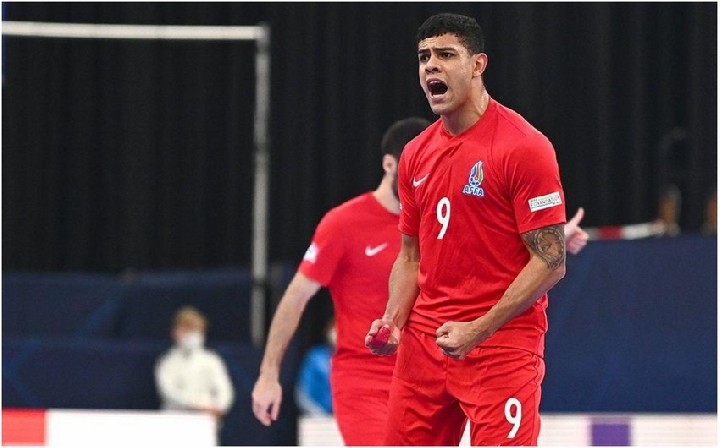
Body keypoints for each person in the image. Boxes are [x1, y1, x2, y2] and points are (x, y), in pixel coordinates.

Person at [365, 13, 569, 446]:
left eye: (445, 54)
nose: (430, 66)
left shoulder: (524, 147)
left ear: (478, 64)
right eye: (424, 57)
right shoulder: (415, 154)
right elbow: (410, 256)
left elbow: (551, 260)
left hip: (501, 343)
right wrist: (393, 320)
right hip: (424, 344)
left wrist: (479, 329)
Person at [251, 117, 431, 445]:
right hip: (364, 381)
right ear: (389, 165)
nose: (421, 183)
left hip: (424, 380)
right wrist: (268, 373)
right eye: (414, 172)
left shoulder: (435, 224)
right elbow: (295, 298)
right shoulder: (344, 224)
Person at [155, 306, 234, 423]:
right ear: (175, 333)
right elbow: (168, 392)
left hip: (206, 419)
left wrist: (218, 407)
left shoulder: (212, 360)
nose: (191, 335)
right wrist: (197, 405)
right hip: (175, 419)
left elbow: (224, 390)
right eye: (186, 330)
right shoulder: (167, 362)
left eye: (195, 331)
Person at [294, 317, 336, 415]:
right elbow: (302, 393)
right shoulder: (316, 357)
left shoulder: (354, 360)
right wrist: (319, 414)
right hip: (316, 417)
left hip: (346, 416)